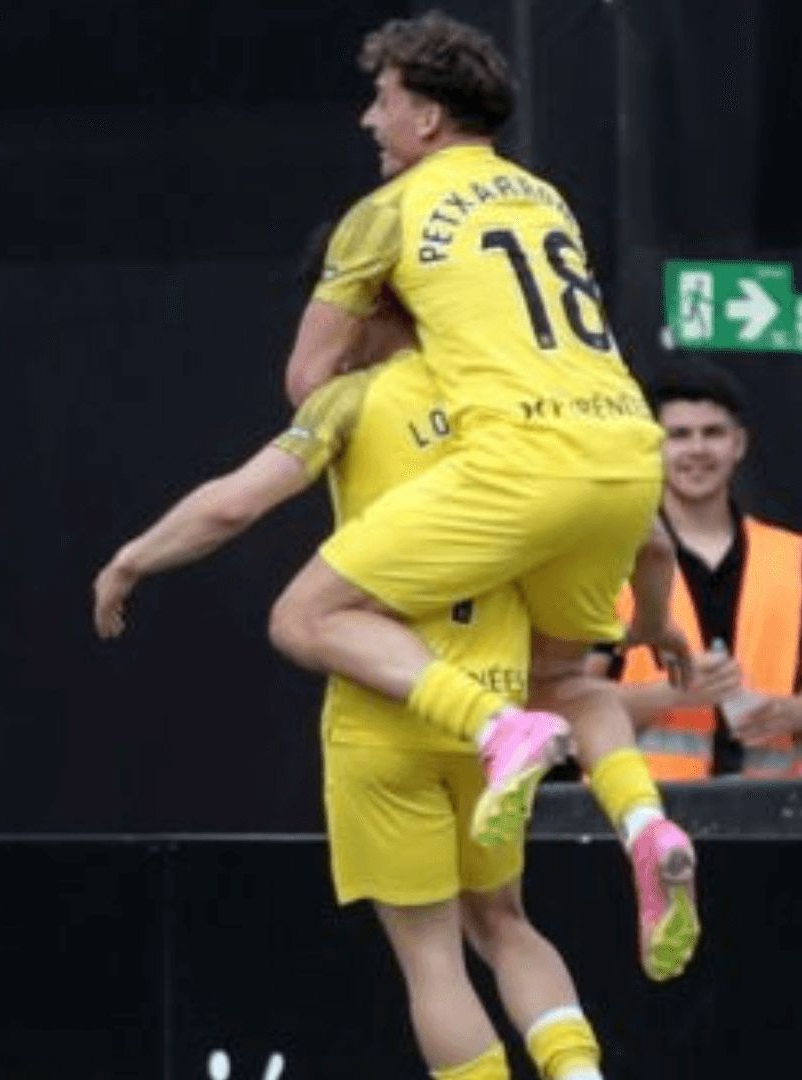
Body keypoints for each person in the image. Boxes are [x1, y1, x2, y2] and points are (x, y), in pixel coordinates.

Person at [258, 11, 699, 983]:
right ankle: (645, 824)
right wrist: (664, 622)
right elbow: (656, 550)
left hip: (520, 462)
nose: (370, 119)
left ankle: (498, 730)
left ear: (426, 115)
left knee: (304, 613)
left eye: (383, 99)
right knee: (575, 680)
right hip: (627, 450)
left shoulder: (385, 212)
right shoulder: (547, 199)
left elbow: (307, 379)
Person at [96, 267, 606, 1080]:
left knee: (432, 959)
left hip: (386, 719)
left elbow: (232, 505)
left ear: (371, 306)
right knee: (506, 922)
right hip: (505, 707)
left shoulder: (352, 400)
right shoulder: (514, 402)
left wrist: (131, 559)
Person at [600, 361, 802, 778]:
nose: (697, 449)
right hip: (642, 822)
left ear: (739, 443)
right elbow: (560, 706)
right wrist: (669, 695)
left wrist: (793, 712)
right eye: (678, 435)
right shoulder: (610, 564)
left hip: (777, 821)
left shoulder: (794, 559)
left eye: (713, 433)